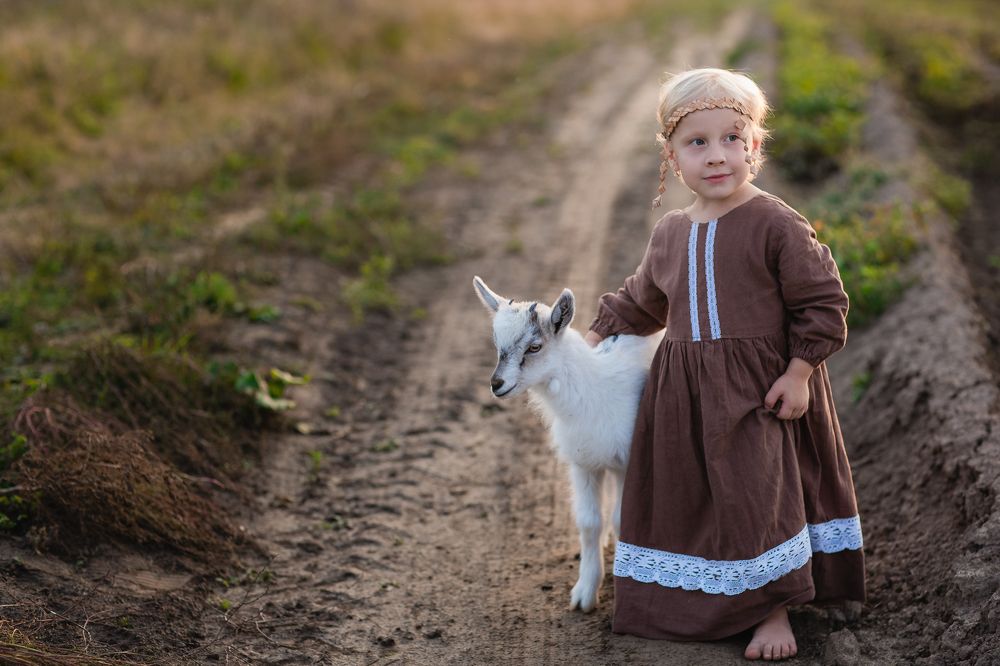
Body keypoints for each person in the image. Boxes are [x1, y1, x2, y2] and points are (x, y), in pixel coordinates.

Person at [583, 67, 866, 661]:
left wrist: (799, 373)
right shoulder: (670, 233)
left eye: (732, 138)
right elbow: (642, 300)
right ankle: (692, 598)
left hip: (759, 390)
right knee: (693, 496)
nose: (717, 155)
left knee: (755, 494)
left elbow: (822, 302)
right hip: (686, 395)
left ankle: (772, 610)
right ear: (671, 157)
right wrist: (598, 333)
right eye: (697, 142)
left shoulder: (775, 222)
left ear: (754, 145)